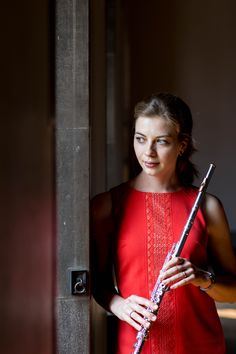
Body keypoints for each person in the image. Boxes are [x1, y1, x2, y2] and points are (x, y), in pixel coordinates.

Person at [91, 92, 236, 354]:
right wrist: (117, 305)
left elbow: (234, 291)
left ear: (182, 145)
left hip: (200, 345)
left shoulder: (207, 206)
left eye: (162, 142)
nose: (148, 152)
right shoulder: (107, 205)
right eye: (140, 139)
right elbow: (96, 282)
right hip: (136, 344)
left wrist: (202, 279)